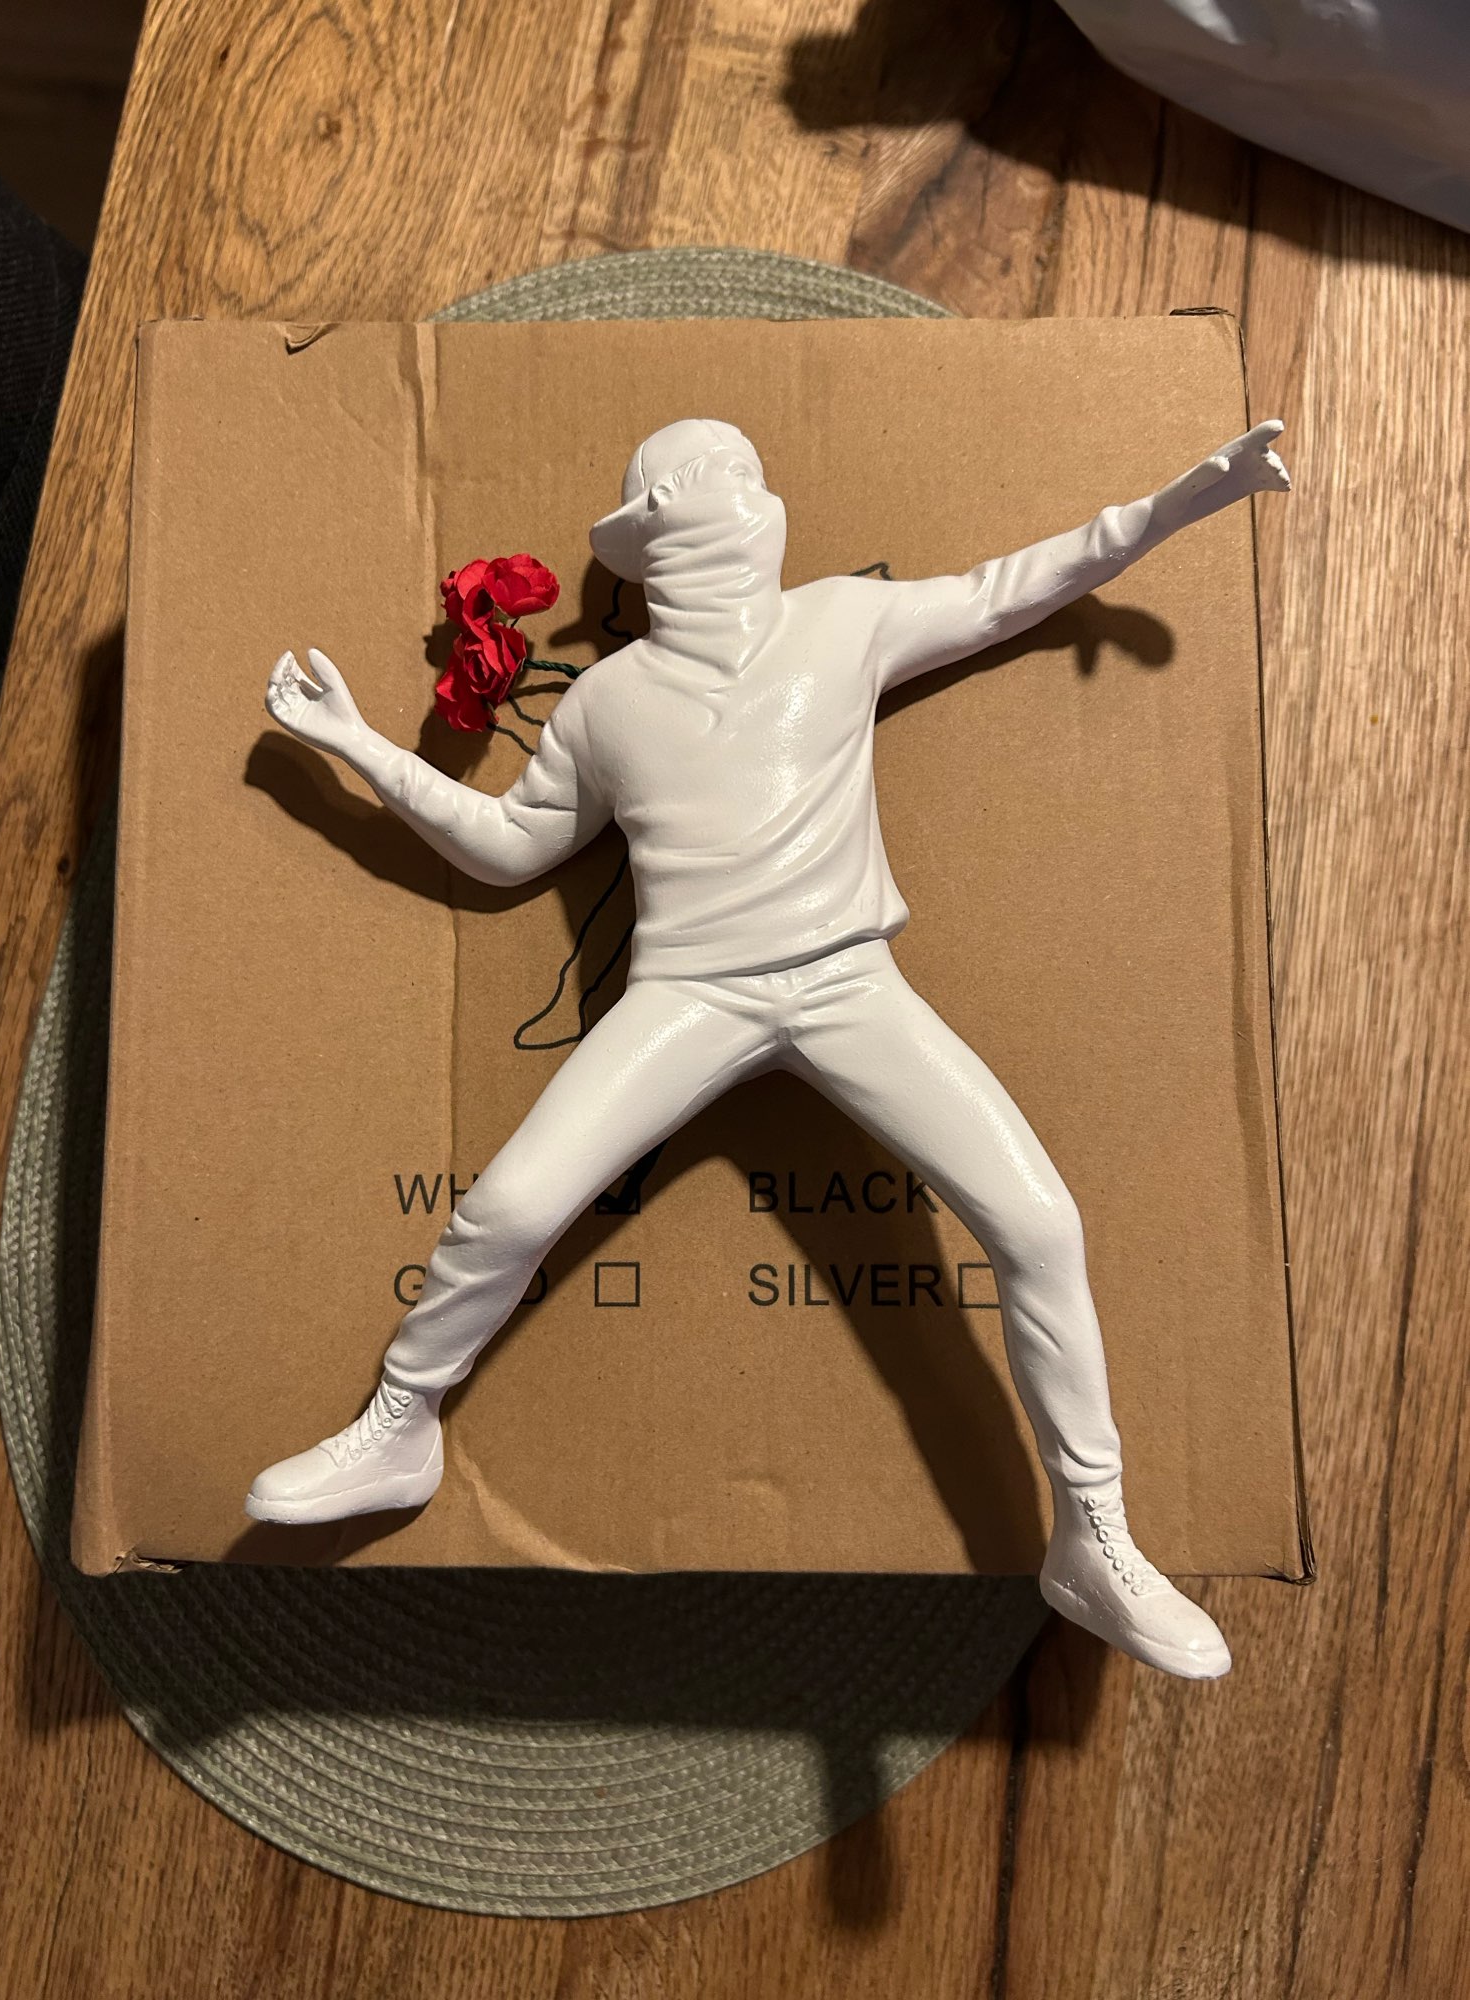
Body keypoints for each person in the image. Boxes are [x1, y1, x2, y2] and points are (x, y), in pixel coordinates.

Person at [250, 413, 1290, 1678]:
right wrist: (360, 748)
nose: (743, 499)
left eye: (745, 478)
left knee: (1040, 1223)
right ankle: (400, 1421)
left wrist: (1170, 507)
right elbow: (514, 846)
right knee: (510, 1205)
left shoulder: (843, 621)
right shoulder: (608, 701)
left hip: (849, 980)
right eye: (713, 481)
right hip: (689, 993)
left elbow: (1008, 589)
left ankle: (1095, 1532)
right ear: (653, 531)